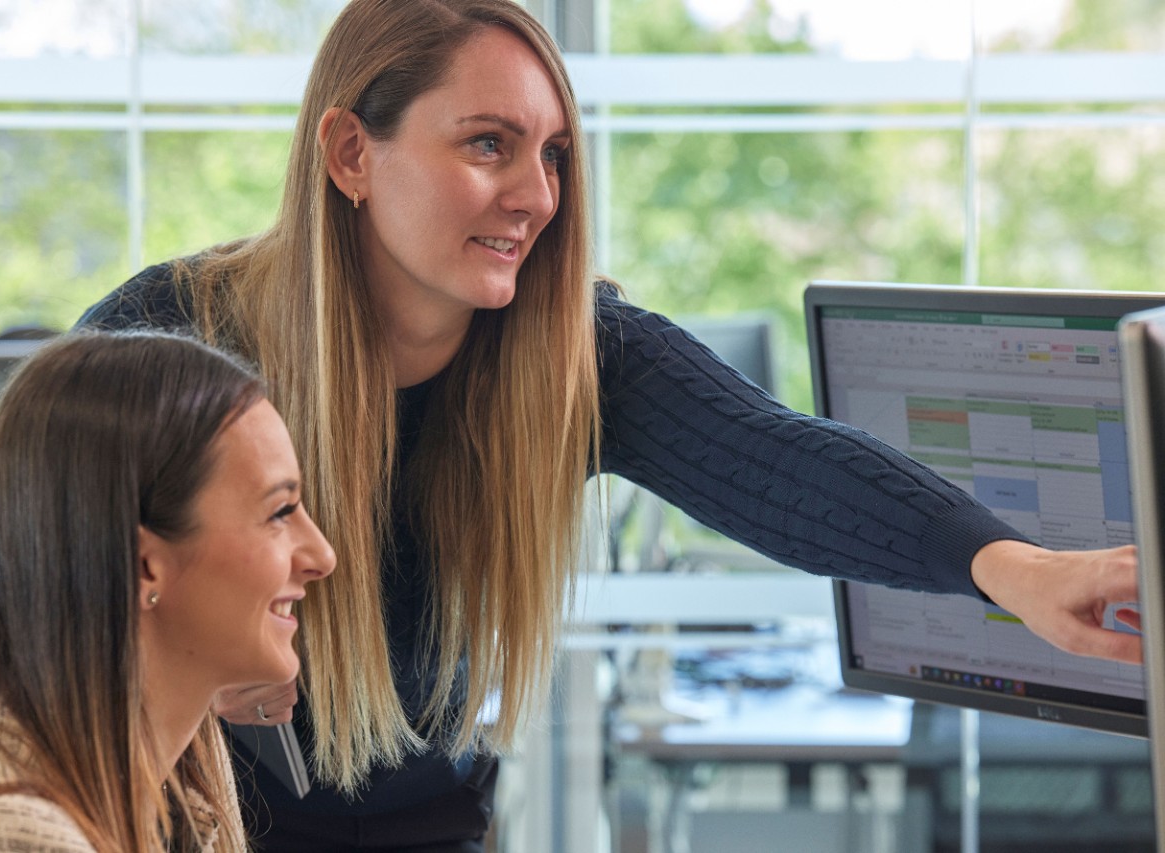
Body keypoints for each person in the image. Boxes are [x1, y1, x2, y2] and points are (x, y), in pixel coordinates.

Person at [76, 0, 1142, 849]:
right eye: (487, 144)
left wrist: (1008, 568)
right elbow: (28, 578)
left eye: (553, 156)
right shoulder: (175, 335)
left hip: (430, 818)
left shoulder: (571, 352)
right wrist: (156, 641)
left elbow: (773, 458)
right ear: (351, 153)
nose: (533, 196)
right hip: (186, 823)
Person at [0, 330, 336, 852]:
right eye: (279, 512)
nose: (322, 557)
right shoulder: (9, 834)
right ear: (145, 564)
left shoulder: (178, 756)